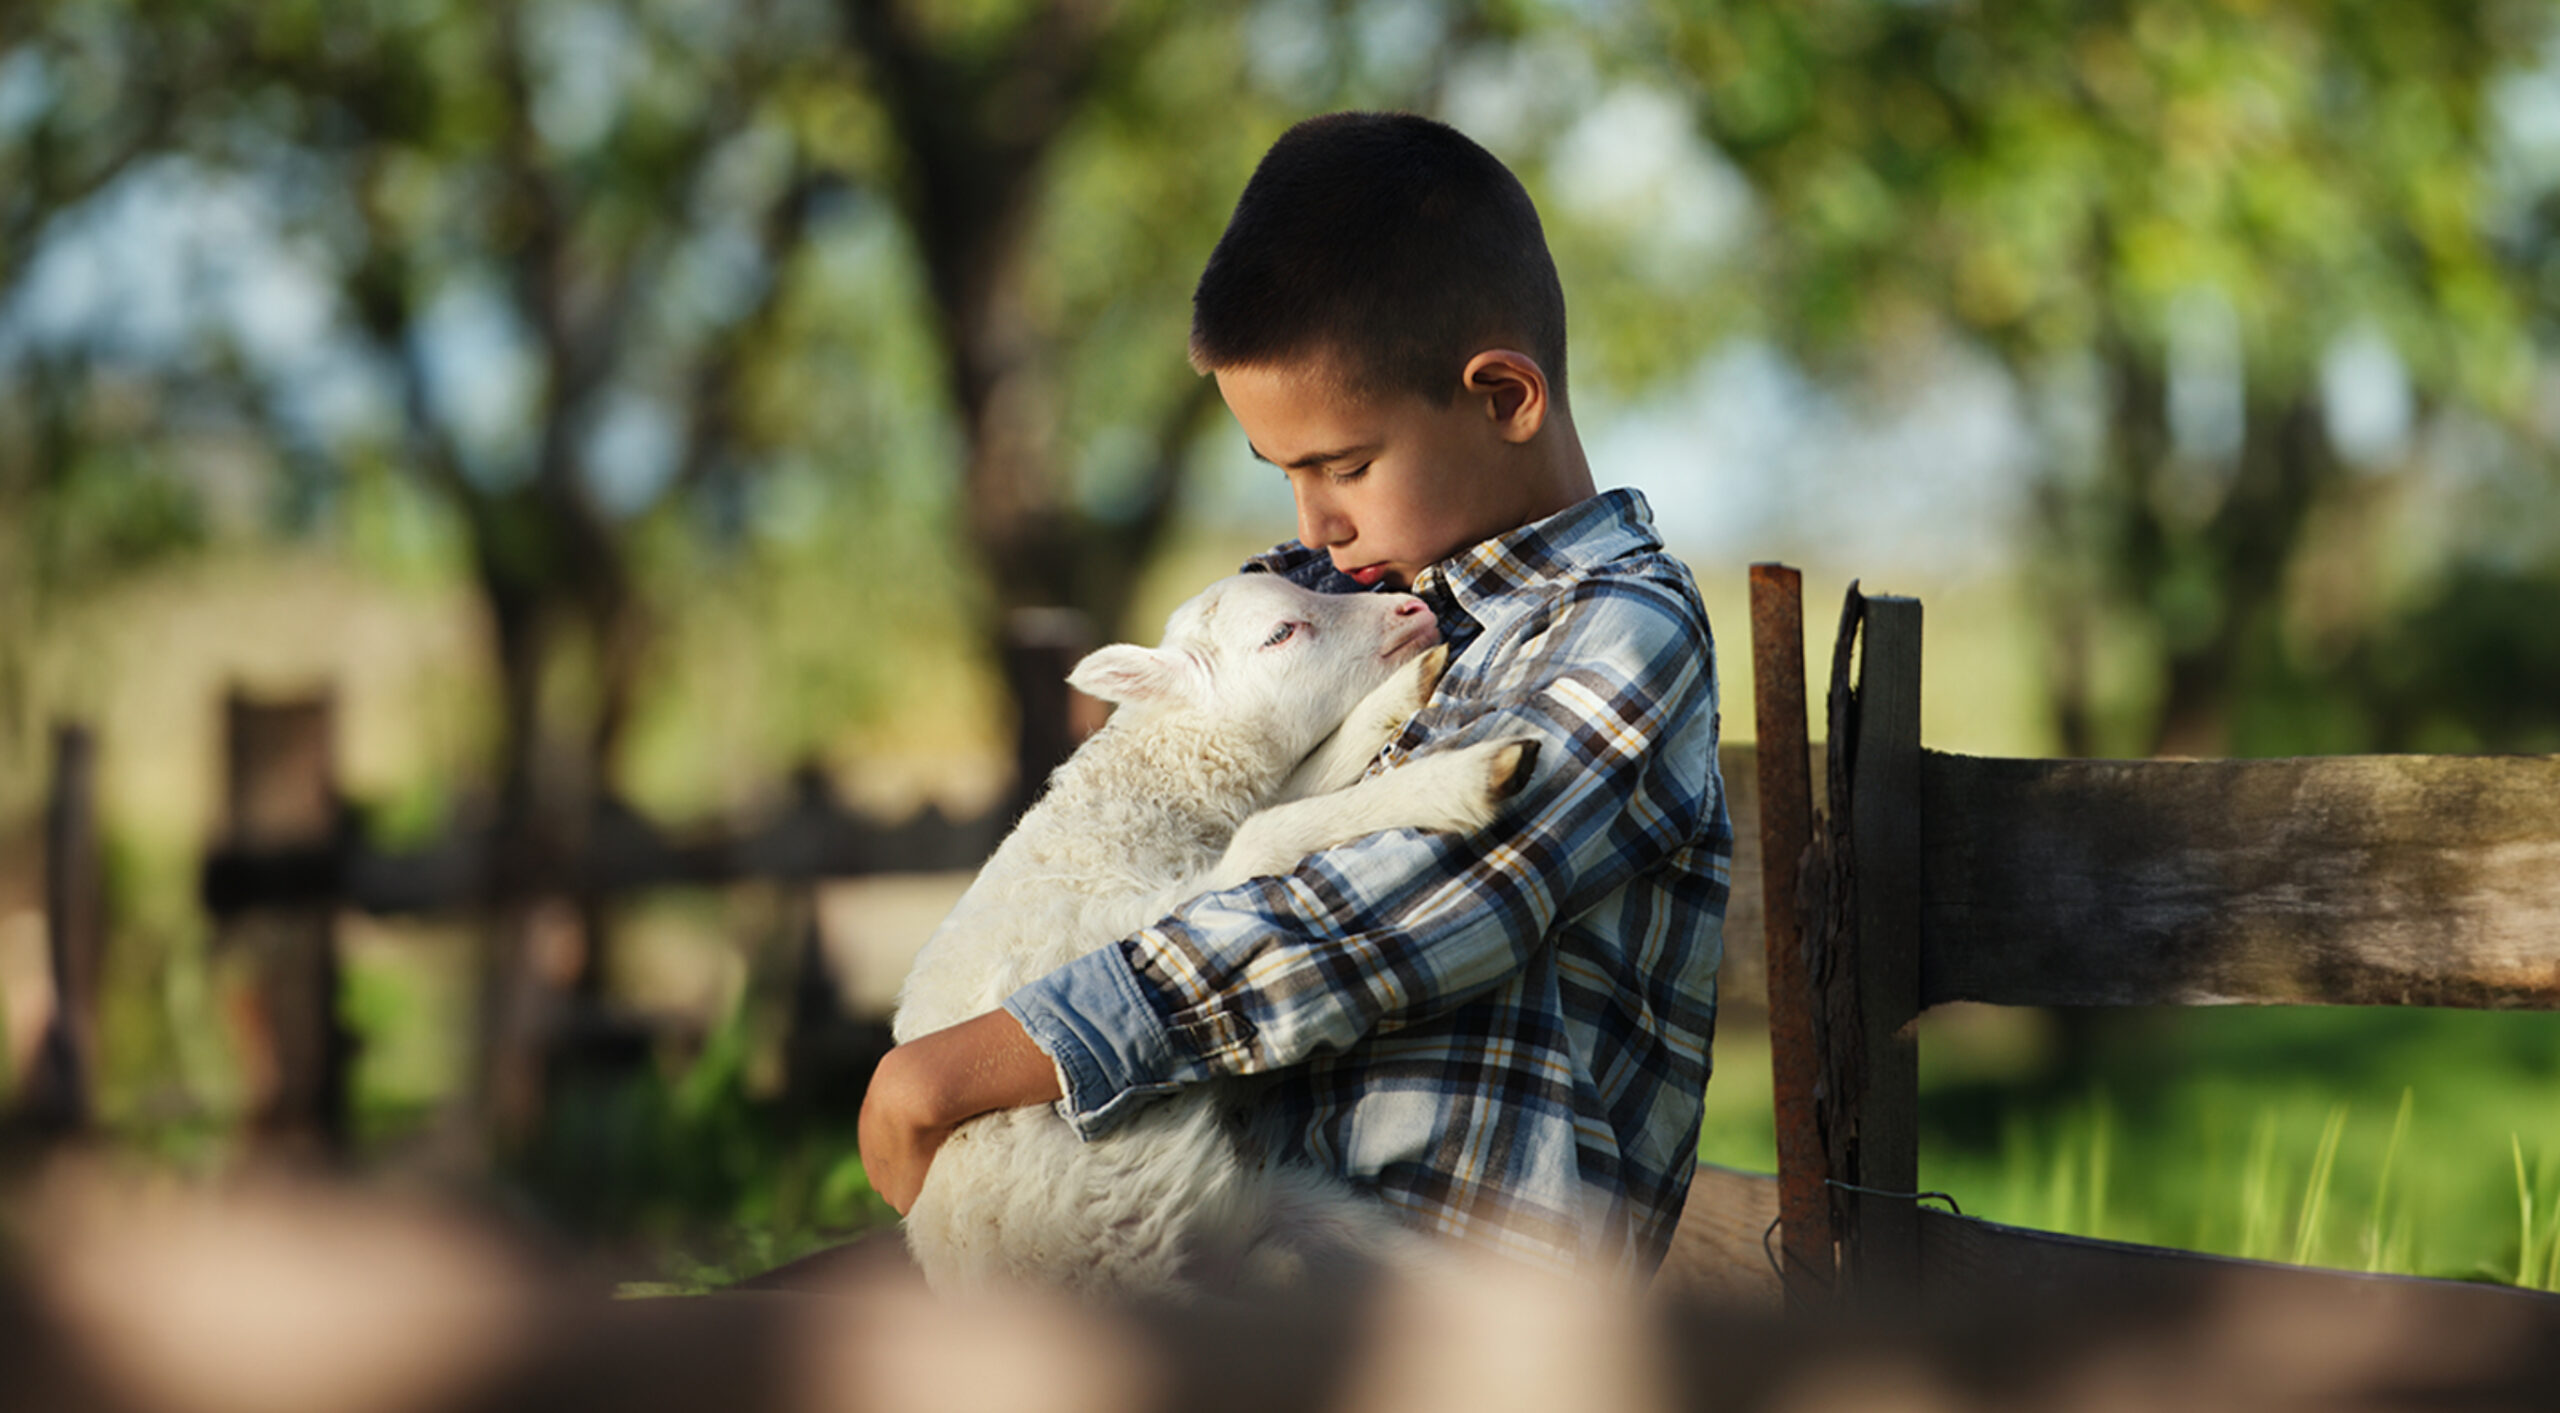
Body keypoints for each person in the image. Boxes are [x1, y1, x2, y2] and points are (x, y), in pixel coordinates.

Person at [859, 110, 1731, 1284]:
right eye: (1286, 474)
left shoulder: (1621, 630)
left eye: (1346, 465)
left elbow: (1398, 903)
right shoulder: (1344, 593)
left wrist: (1003, 1054)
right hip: (1245, 1283)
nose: (1313, 520)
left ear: (1505, 396)